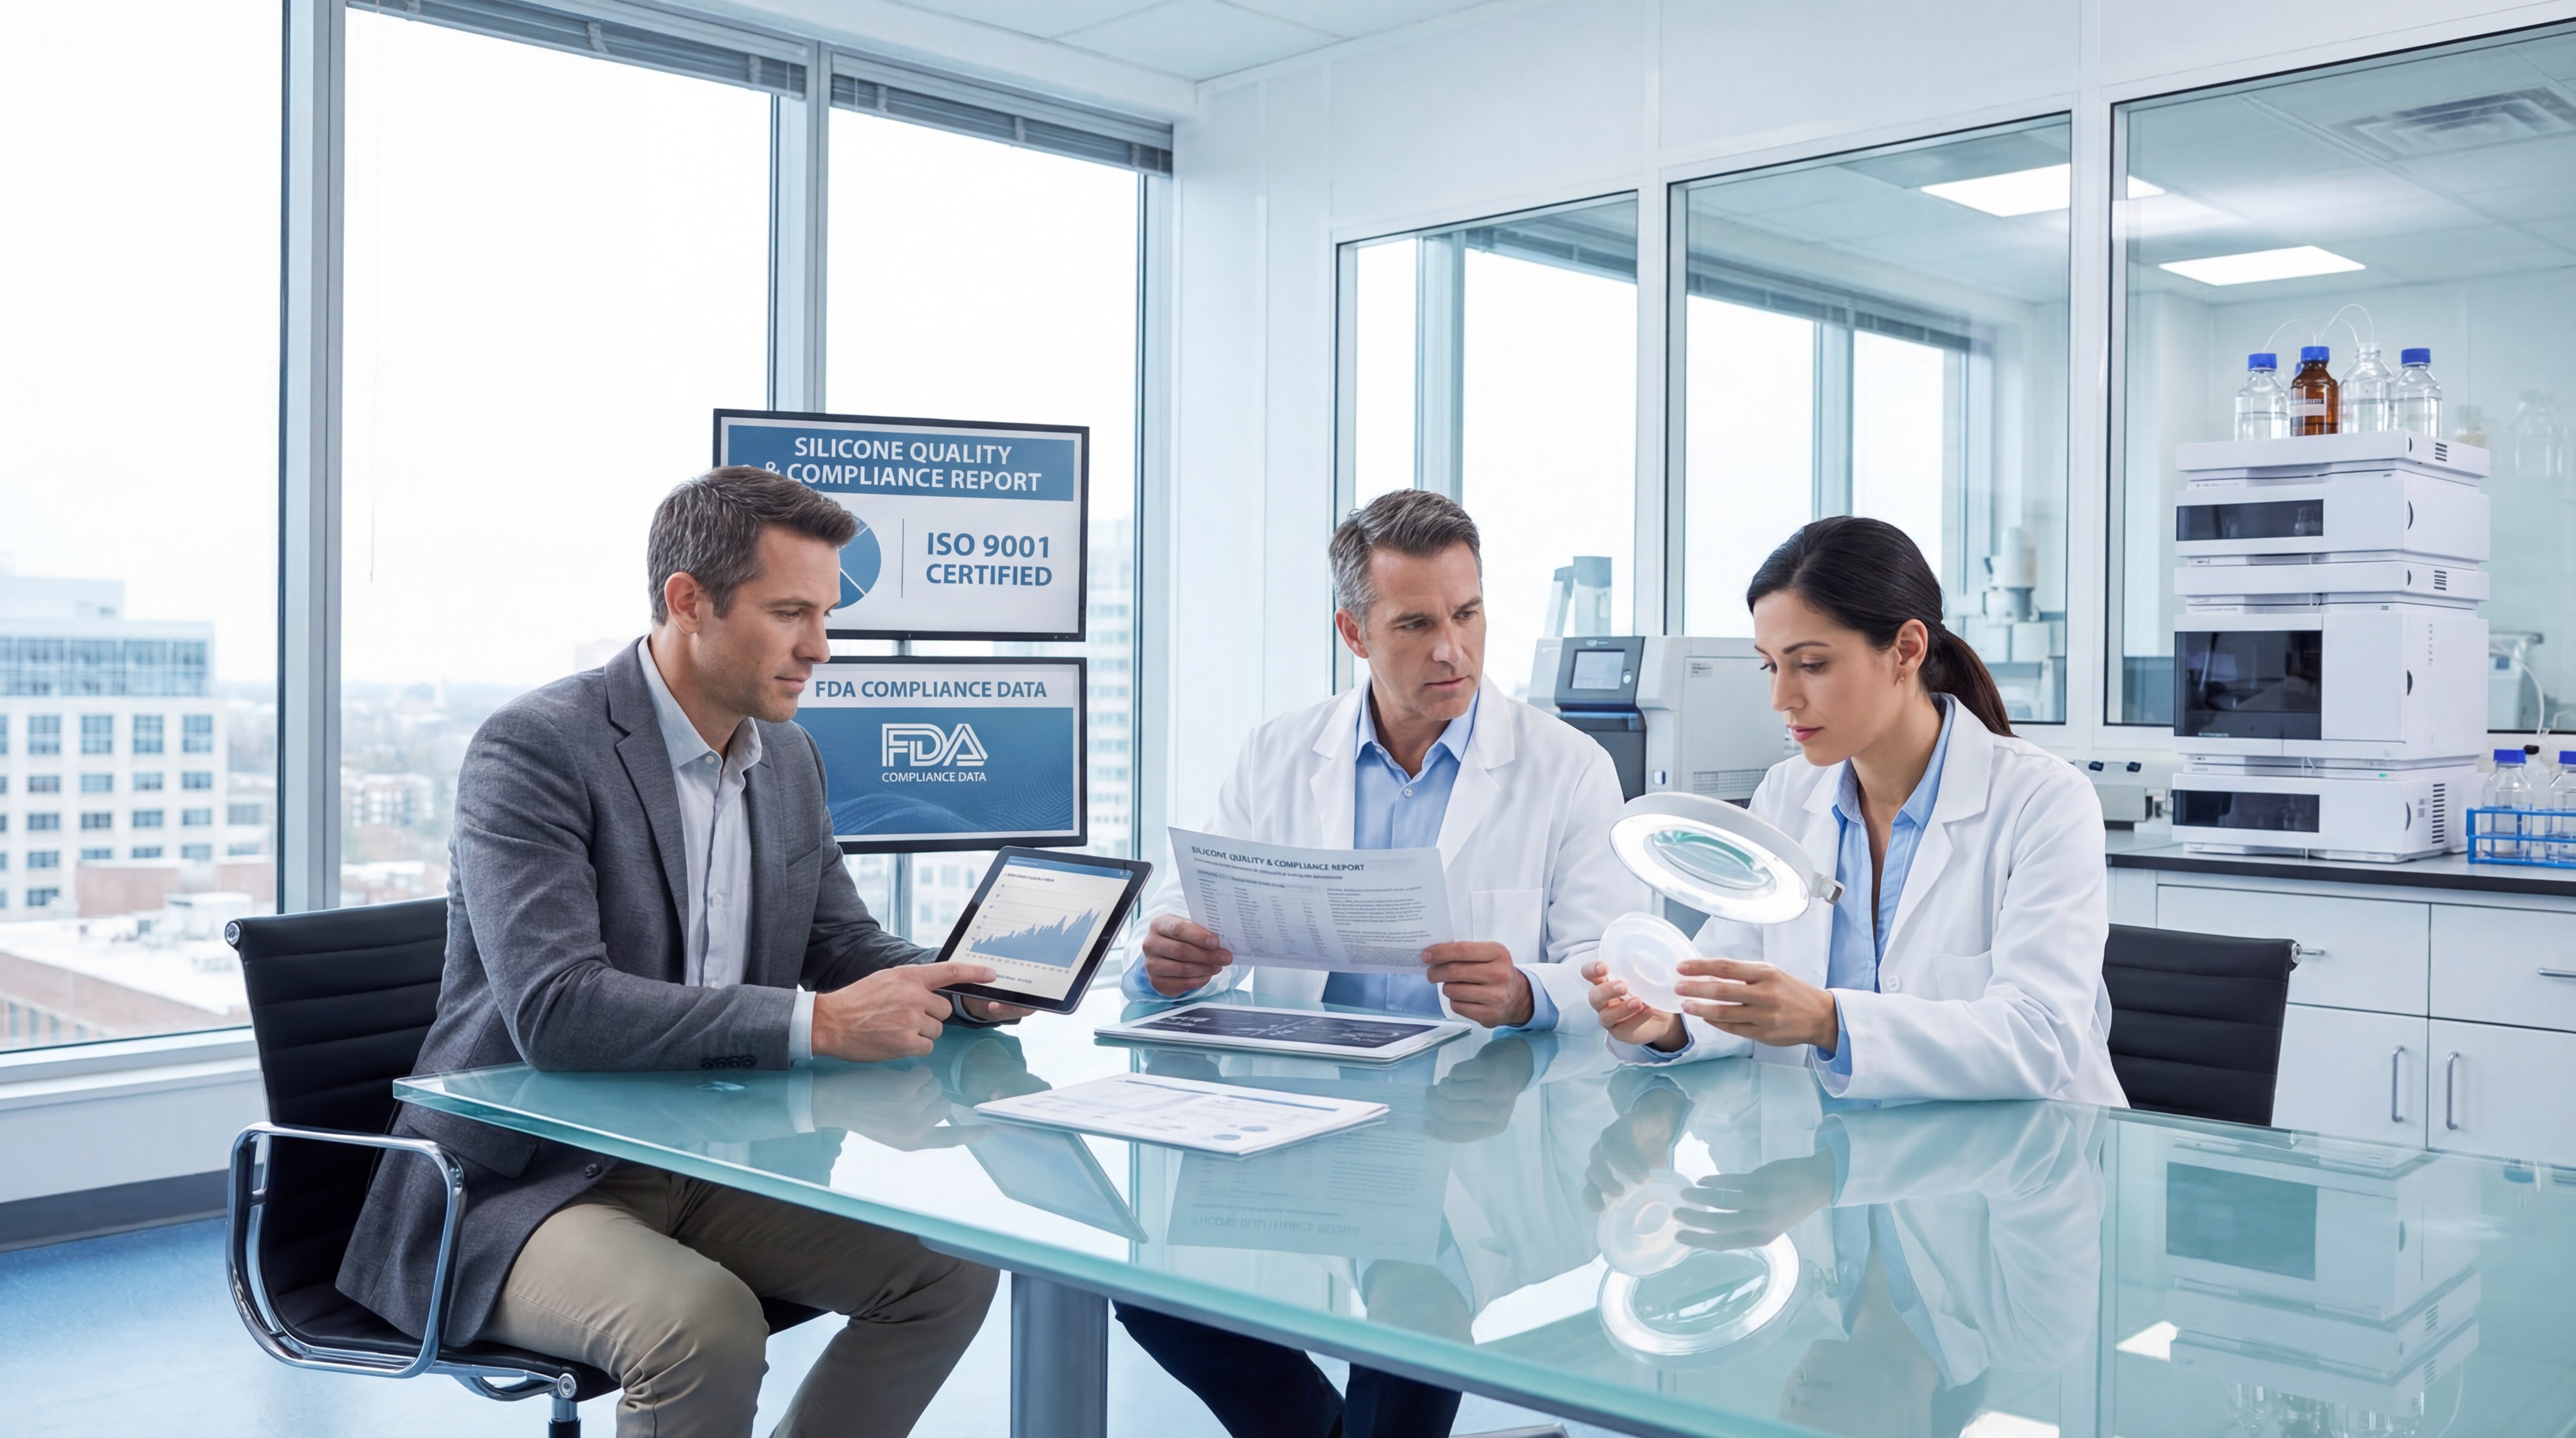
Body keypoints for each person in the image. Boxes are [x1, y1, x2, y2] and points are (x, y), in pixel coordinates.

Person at [339, 467, 1028, 1438]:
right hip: (522, 1182)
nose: (819, 648)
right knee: (704, 1327)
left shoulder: (787, 758)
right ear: (688, 600)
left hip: (708, 1159)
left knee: (948, 1270)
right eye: (789, 613)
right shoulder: (536, 746)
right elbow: (557, 1011)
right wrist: (820, 1023)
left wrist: (961, 983)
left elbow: (840, 941)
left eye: (825, 615)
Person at [1116, 488, 1645, 1438]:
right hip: (1299, 1114)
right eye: (1416, 624)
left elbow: (1614, 963)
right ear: (1354, 633)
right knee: (1154, 1295)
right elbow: (1194, 909)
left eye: (1468, 614)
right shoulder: (1280, 753)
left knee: (1414, 1325)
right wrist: (1171, 959)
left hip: (1467, 1129)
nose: (1453, 649)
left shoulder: (1566, 766)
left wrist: (1526, 992)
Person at [1586, 515, 2123, 1104]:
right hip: (1832, 1149)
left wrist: (1830, 1021)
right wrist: (1667, 1023)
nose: (1781, 698)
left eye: (1812, 665)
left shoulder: (2044, 801)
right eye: (1770, 665)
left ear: (1906, 650)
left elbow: (2039, 1037)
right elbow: (1734, 983)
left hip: (2018, 1152)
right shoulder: (1787, 795)